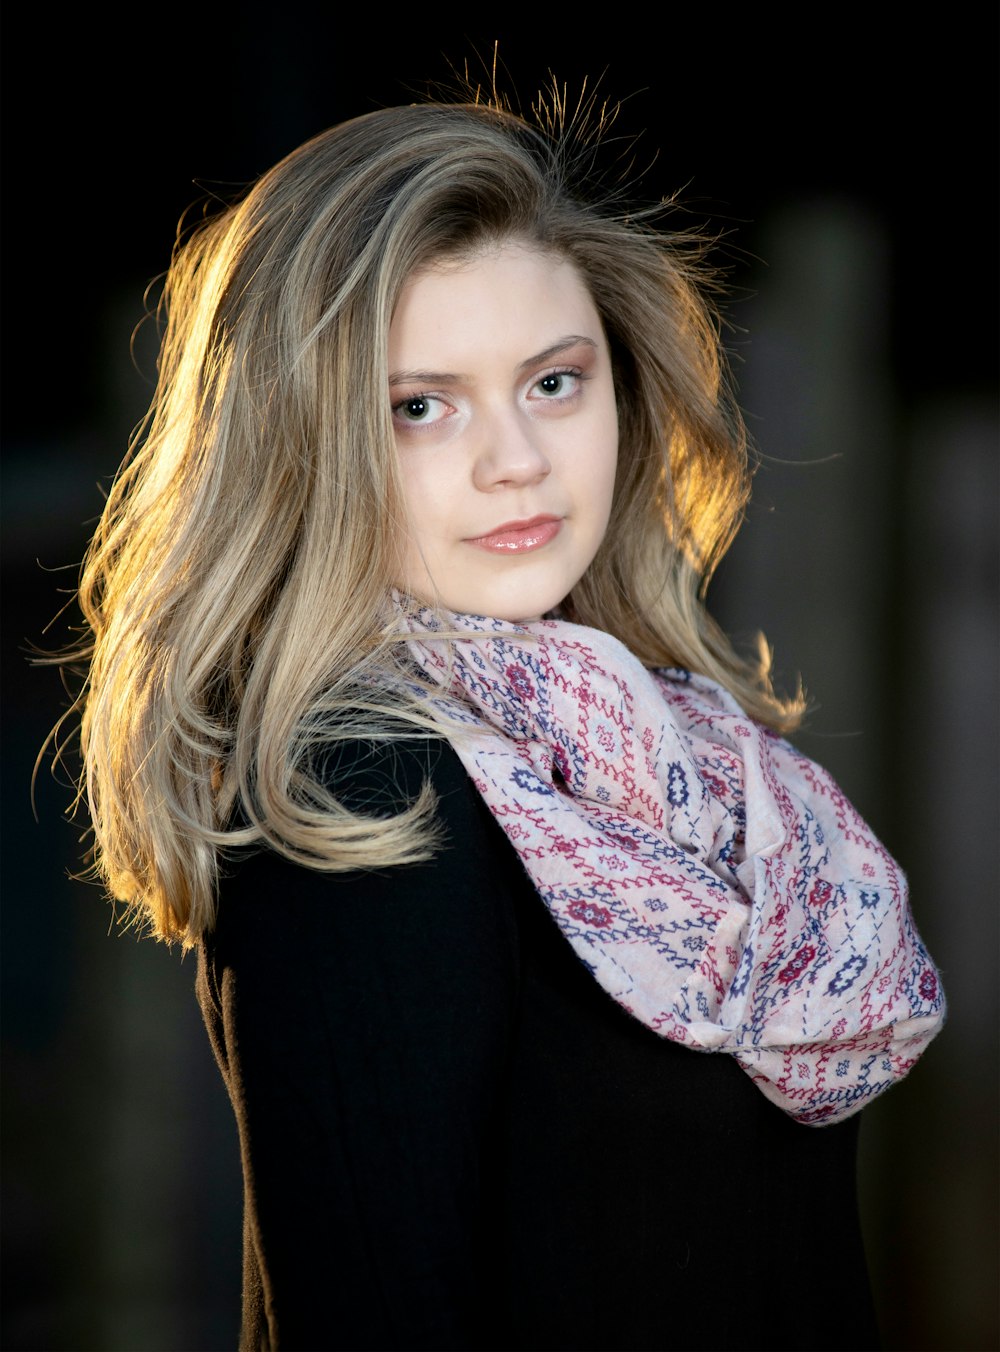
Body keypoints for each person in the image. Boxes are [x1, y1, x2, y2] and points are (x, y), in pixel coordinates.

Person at [63, 92, 945, 1350]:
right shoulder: (363, 785)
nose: (516, 457)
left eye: (552, 381)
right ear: (302, 446)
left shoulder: (679, 758)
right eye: (420, 405)